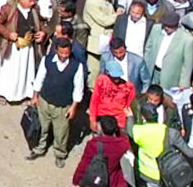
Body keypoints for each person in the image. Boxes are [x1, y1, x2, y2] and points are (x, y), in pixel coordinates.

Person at [32, 37, 85, 165]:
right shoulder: (47, 60)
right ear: (56, 50)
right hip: (45, 101)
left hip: (63, 106)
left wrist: (73, 107)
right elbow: (39, 79)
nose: (63, 56)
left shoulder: (77, 66)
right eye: (61, 53)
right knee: (42, 128)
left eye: (66, 53)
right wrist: (35, 96)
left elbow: (79, 88)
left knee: (61, 132)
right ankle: (40, 148)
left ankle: (60, 154)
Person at [72, 115, 128, 186]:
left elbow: (84, 164)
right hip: (113, 180)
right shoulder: (123, 143)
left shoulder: (94, 145)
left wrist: (76, 179)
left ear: (101, 129)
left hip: (98, 178)